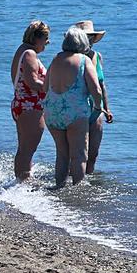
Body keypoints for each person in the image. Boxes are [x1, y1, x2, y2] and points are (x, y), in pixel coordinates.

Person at [43, 27, 103, 188]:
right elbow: (96, 89)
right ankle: (77, 193)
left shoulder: (56, 58)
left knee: (62, 154)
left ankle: (59, 187)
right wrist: (98, 107)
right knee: (79, 155)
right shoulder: (84, 60)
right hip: (75, 113)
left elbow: (44, 87)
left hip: (52, 111)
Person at [10, 21, 49, 181]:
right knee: (28, 149)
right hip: (30, 106)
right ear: (37, 38)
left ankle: (20, 182)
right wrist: (53, 87)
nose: (48, 42)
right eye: (46, 38)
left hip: (21, 103)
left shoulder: (21, 51)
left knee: (24, 149)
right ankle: (22, 186)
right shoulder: (29, 54)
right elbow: (32, 82)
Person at [75, 19, 114, 175]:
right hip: (77, 109)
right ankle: (74, 182)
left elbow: (102, 84)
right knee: (78, 152)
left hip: (97, 109)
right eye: (86, 37)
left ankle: (88, 182)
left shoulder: (97, 56)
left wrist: (107, 108)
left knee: (93, 152)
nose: (89, 41)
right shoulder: (73, 58)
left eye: (91, 37)